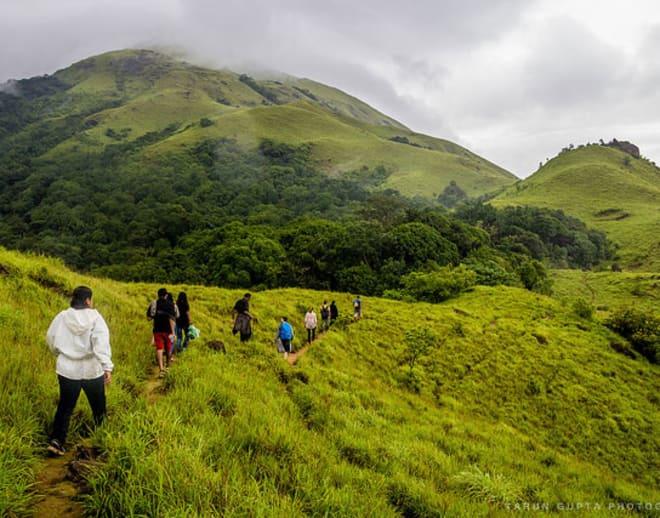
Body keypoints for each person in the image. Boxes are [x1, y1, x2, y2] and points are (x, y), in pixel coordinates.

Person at [46, 286, 113, 456]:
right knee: (98, 407)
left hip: (67, 369)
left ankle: (57, 441)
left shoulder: (62, 317)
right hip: (92, 369)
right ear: (88, 300)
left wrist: (59, 353)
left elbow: (51, 338)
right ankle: (103, 438)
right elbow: (101, 343)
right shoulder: (96, 318)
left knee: (65, 407)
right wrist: (107, 366)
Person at [147, 288, 176, 376]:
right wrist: (173, 332)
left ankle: (161, 369)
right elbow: (172, 319)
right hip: (168, 331)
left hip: (157, 330)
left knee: (159, 348)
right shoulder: (171, 305)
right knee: (168, 348)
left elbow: (149, 318)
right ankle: (167, 365)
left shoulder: (154, 303)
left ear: (158, 295)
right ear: (166, 295)